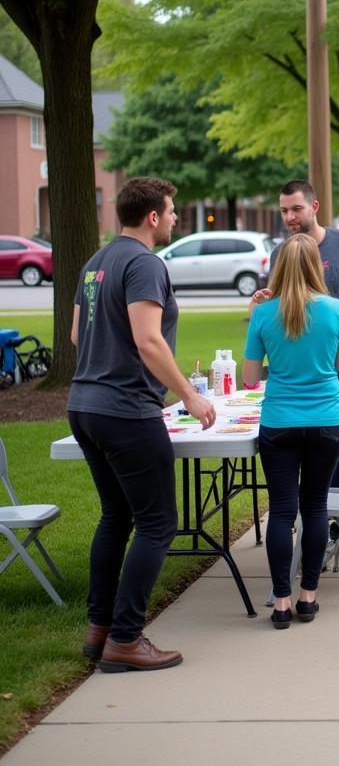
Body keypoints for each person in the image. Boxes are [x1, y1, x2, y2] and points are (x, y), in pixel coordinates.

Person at [67, 177, 216, 672]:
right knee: (158, 524)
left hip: (84, 405)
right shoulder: (145, 263)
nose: (175, 219)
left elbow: (74, 335)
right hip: (125, 410)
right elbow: (149, 340)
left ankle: (99, 630)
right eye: (172, 211)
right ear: (153, 216)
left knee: (116, 516)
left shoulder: (95, 263)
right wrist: (190, 396)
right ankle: (126, 639)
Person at [243, 233, 339, 628]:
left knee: (282, 512)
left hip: (280, 423)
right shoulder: (336, 309)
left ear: (279, 269)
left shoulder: (263, 313)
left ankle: (281, 604)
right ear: (314, 266)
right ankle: (308, 597)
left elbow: (251, 377)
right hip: (327, 420)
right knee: (315, 508)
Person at [253, 180, 339, 490]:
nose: (290, 217)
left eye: (296, 209)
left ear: (314, 207)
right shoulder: (281, 252)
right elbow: (280, 307)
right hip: (303, 368)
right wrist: (262, 303)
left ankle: (338, 522)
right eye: (284, 211)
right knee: (303, 449)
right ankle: (314, 519)